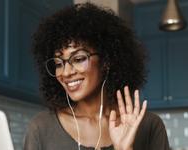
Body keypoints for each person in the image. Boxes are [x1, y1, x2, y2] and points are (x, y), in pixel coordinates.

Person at [24, 3, 170, 150]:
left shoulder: (149, 126)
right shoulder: (42, 128)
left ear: (106, 61)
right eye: (58, 63)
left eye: (79, 59)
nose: (66, 72)